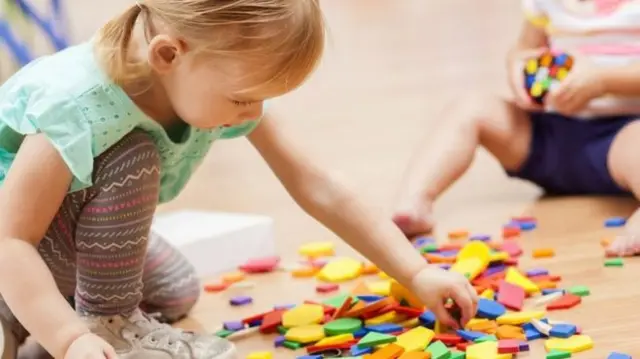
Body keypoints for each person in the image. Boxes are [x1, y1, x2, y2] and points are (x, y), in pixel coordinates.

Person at [0, 1, 478, 358]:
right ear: (168, 54)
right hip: (19, 241)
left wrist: (415, 271)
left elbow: (316, 183)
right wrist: (71, 340)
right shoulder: (77, 103)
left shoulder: (206, 80)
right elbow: (12, 238)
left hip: (62, 246)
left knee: (176, 289)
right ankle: (99, 325)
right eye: (244, 97)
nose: (254, 112)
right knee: (132, 156)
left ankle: (34, 314)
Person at [392, 0, 640, 257]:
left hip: (621, 137)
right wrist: (518, 71)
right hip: (548, 136)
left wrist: (604, 81)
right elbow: (524, 49)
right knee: (471, 108)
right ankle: (414, 202)